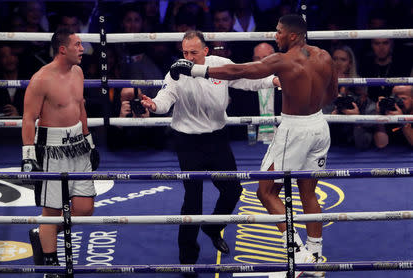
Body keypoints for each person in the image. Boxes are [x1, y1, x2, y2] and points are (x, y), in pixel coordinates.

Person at [168, 15, 338, 275]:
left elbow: (241, 71)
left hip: (296, 129)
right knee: (308, 193)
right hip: (319, 125)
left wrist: (196, 70)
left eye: (279, 31)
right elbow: (332, 94)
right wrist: (306, 98)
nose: (275, 35)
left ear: (293, 35)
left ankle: (299, 253)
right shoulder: (325, 56)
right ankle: (315, 257)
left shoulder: (283, 60)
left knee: (265, 192)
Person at [141, 30, 278, 277]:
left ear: (206, 50)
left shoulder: (221, 66)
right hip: (187, 141)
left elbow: (247, 79)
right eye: (185, 52)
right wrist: (153, 105)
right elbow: (164, 99)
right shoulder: (176, 72)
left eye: (194, 52)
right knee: (192, 199)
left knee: (232, 190)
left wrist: (272, 81)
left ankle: (213, 228)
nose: (189, 57)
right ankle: (187, 260)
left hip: (216, 138)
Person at [21, 28, 99, 277]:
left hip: (79, 144)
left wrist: (90, 141)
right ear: (62, 48)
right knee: (52, 212)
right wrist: (28, 157)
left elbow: (80, 106)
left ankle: (44, 231)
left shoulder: (78, 72)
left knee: (85, 209)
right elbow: (28, 118)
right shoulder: (41, 78)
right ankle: (50, 265)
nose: (82, 48)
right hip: (51, 149)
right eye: (77, 44)